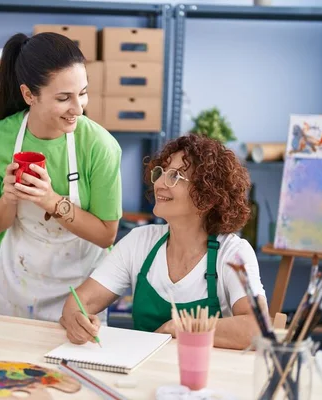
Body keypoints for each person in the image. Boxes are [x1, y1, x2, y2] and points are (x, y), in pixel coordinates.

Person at [60, 133, 268, 350]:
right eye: (161, 173)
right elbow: (80, 302)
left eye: (175, 177)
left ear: (208, 196)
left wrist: (180, 327)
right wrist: (76, 319)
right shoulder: (139, 242)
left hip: (202, 377)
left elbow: (255, 328)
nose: (159, 183)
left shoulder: (233, 253)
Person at [0, 32, 122, 323]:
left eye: (82, 92)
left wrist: (50, 200)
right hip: (19, 286)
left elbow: (107, 234)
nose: (78, 108)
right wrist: (8, 199)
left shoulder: (99, 145)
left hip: (81, 291)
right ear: (29, 95)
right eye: (63, 98)